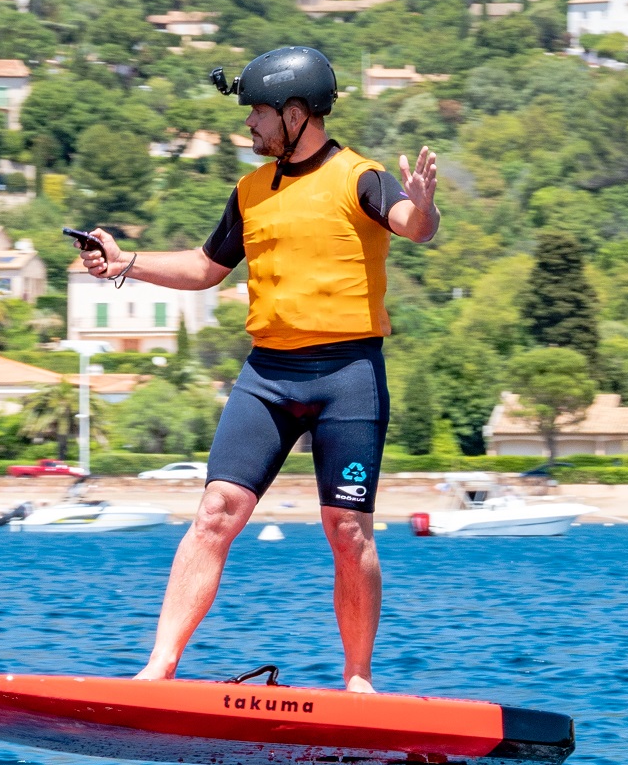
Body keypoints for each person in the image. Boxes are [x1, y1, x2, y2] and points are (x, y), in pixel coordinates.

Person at [74, 43, 439, 690]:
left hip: (347, 376)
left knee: (347, 530)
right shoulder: (248, 193)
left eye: (259, 114)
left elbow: (412, 225)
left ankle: (358, 679)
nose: (249, 125)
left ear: (296, 114)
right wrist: (125, 260)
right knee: (216, 510)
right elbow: (204, 268)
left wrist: (422, 206)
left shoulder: (360, 176)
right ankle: (159, 668)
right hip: (268, 377)